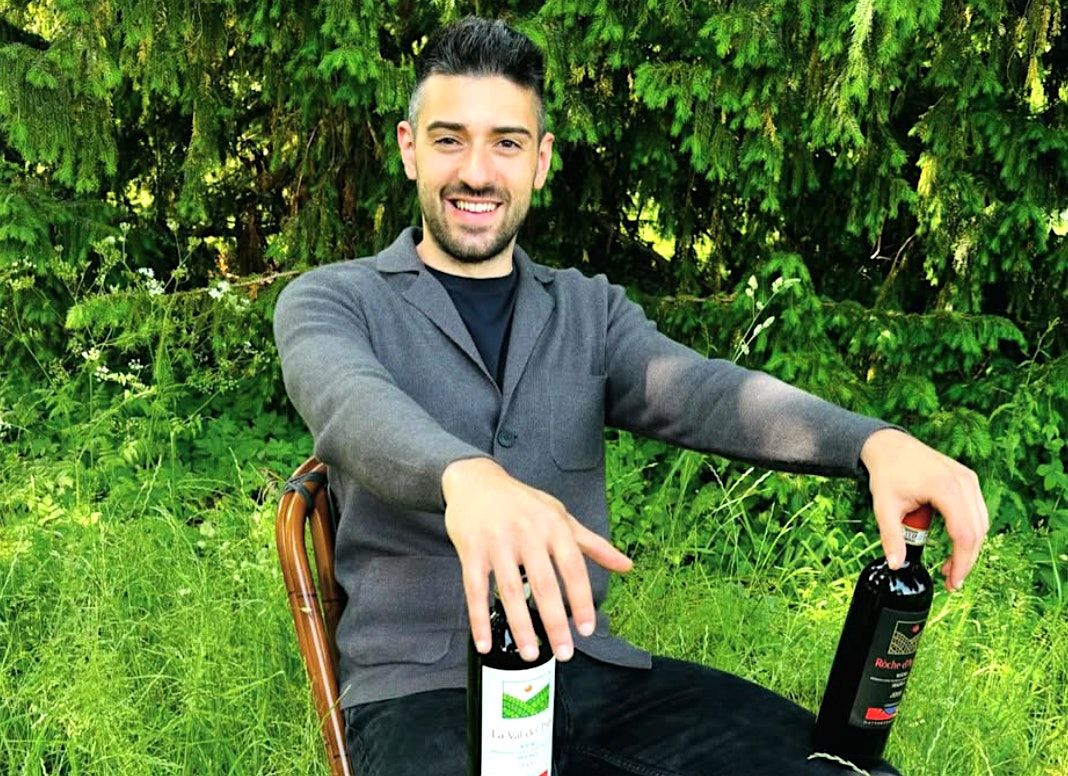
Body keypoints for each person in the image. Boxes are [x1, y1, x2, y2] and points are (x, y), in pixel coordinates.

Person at [273, 17, 988, 776]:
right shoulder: (333, 301)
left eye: (507, 143)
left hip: (588, 674)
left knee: (844, 771)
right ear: (409, 148)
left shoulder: (589, 311)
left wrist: (874, 443)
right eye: (449, 140)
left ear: (540, 161)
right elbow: (349, 404)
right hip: (423, 697)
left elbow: (709, 394)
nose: (476, 172)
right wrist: (466, 478)